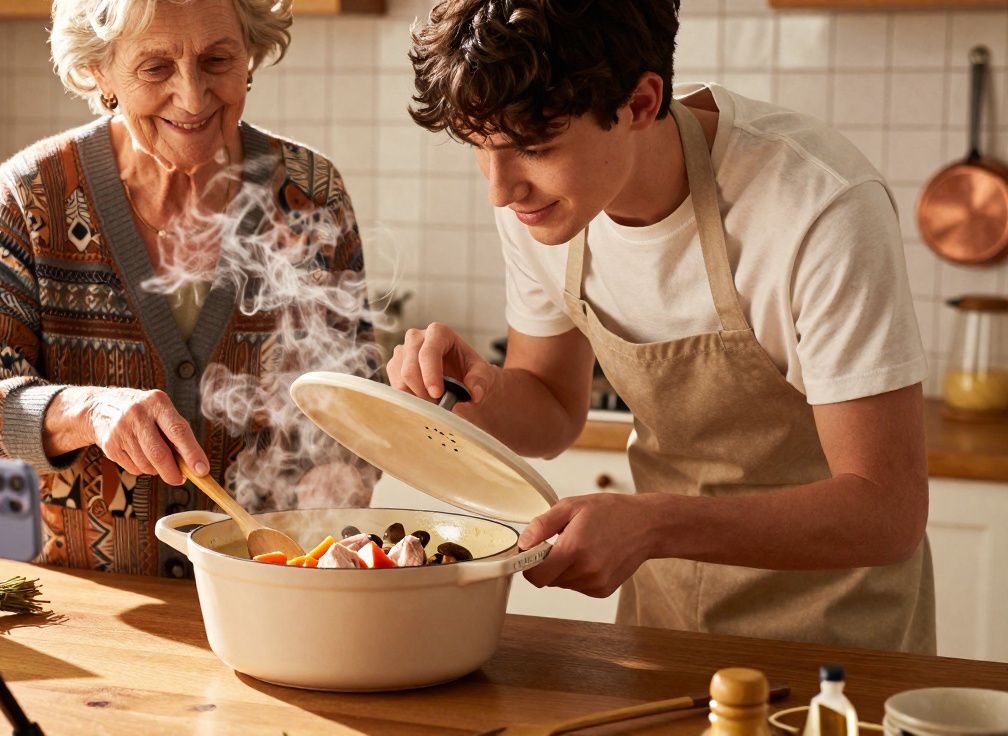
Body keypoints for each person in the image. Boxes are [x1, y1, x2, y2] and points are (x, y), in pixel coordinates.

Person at [389, 0, 934, 652]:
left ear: (642, 103)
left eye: (534, 148)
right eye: (481, 148)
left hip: (838, 636)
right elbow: (554, 409)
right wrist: (479, 392)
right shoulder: (542, 207)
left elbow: (886, 511)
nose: (501, 191)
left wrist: (654, 525)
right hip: (663, 623)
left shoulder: (816, 208)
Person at [0, 0, 376, 577]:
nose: (192, 97)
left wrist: (344, 473)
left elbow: (354, 404)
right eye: (156, 68)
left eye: (217, 61)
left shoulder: (311, 195)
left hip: (266, 592)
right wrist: (88, 411)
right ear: (100, 71)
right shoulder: (36, 194)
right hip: (85, 604)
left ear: (249, 56)